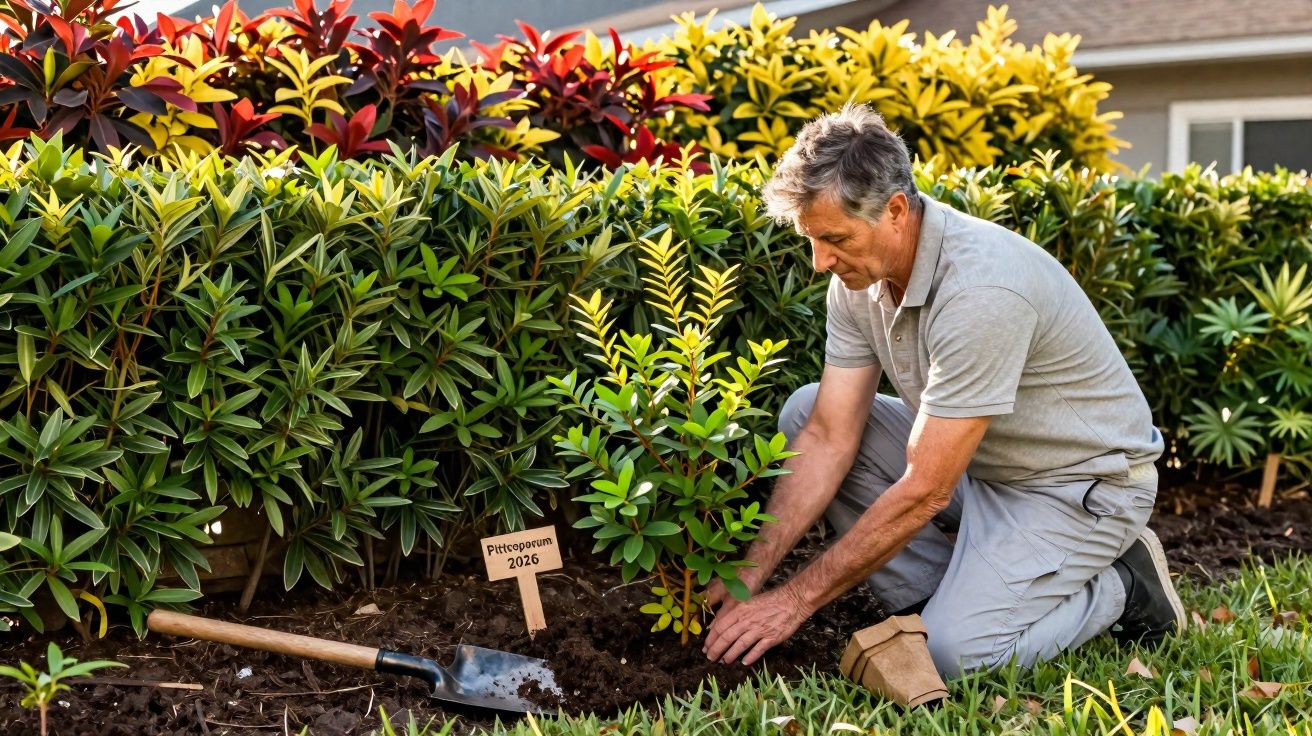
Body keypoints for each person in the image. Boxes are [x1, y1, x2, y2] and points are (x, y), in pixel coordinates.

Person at [700, 104, 1186, 677]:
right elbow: (830, 435)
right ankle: (939, 599)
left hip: (1076, 486)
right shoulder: (860, 278)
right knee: (805, 410)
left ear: (896, 210)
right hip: (981, 465)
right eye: (812, 239)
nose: (819, 261)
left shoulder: (980, 290)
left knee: (954, 658)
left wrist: (795, 600)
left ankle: (1121, 587)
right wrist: (750, 574)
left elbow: (927, 488)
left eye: (833, 238)